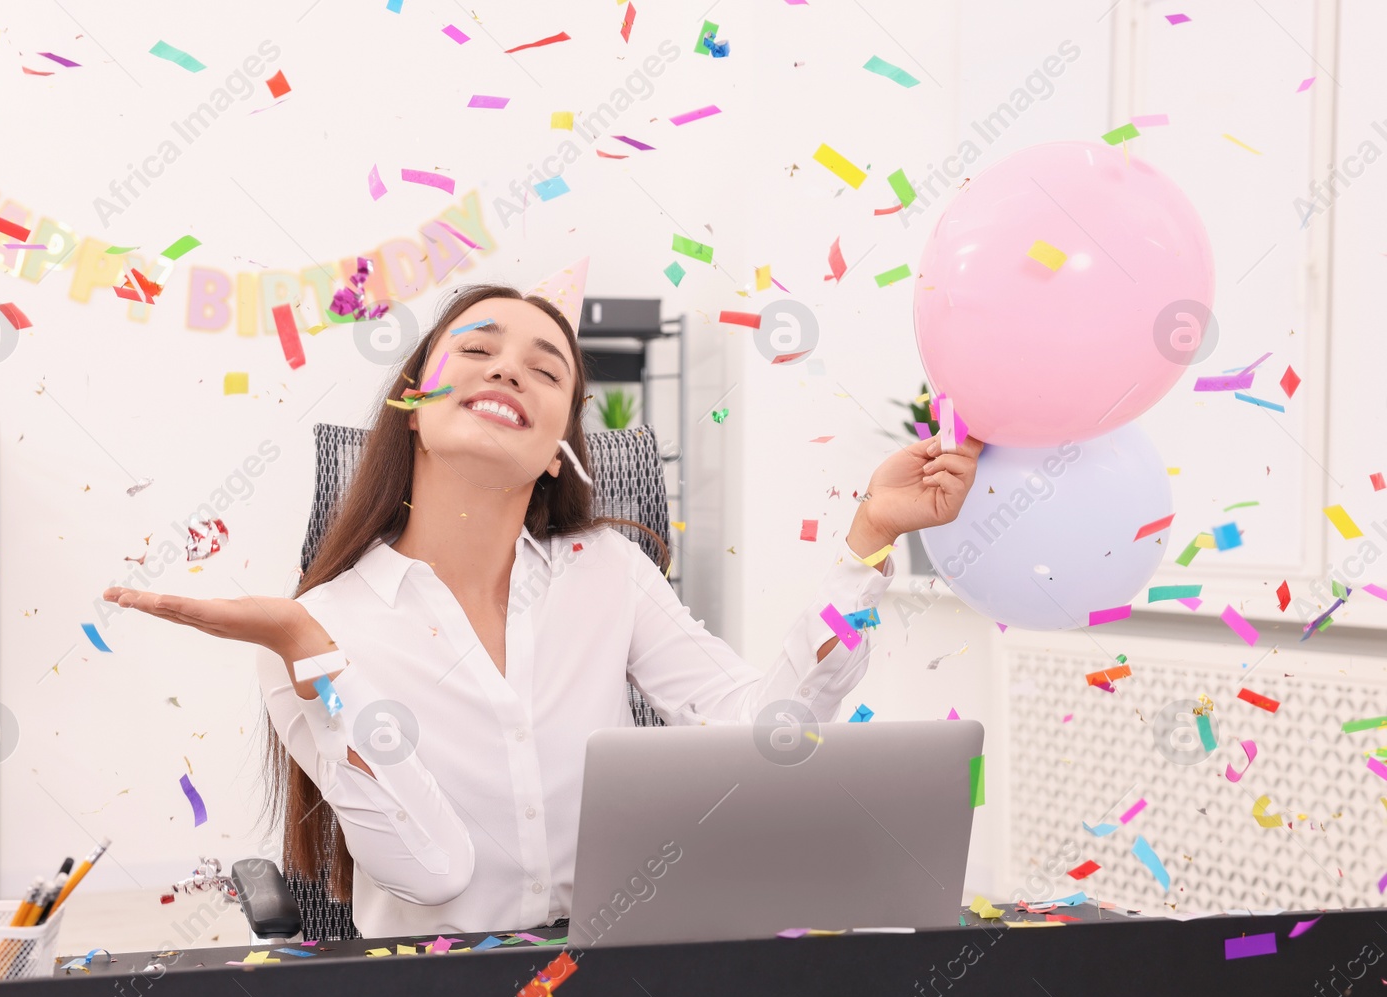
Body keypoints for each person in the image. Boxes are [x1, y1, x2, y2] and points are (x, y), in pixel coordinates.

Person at [103, 261, 982, 939]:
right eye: (476, 352)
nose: (507, 373)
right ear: (413, 406)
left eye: (544, 370)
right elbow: (433, 872)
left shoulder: (607, 569)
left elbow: (766, 727)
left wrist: (869, 537)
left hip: (616, 977)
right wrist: (312, 655)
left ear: (560, 445)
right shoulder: (315, 628)